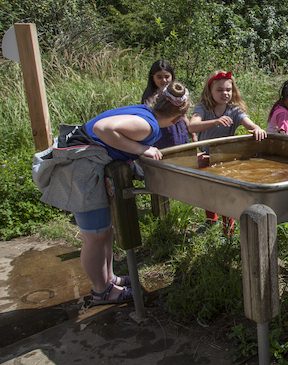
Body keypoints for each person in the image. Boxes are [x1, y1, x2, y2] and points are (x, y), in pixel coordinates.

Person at [32, 81, 191, 305]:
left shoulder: (144, 111)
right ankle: (102, 291)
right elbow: (102, 129)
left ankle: (108, 279)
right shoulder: (150, 125)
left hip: (85, 172)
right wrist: (142, 149)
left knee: (105, 232)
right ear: (176, 119)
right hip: (81, 174)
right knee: (94, 237)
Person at [188, 70, 267, 235]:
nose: (225, 93)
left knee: (226, 194)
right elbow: (192, 126)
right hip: (206, 158)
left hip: (226, 159)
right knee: (207, 191)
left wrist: (257, 129)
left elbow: (250, 125)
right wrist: (214, 122)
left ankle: (228, 230)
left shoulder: (234, 110)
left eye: (228, 90)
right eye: (219, 90)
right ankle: (211, 220)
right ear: (210, 91)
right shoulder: (204, 107)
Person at [141, 59, 197, 148]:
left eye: (167, 76)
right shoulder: (150, 97)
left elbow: (184, 115)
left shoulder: (177, 95)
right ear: (152, 77)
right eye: (159, 77)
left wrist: (193, 135)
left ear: (172, 76)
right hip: (161, 135)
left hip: (179, 131)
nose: (163, 80)